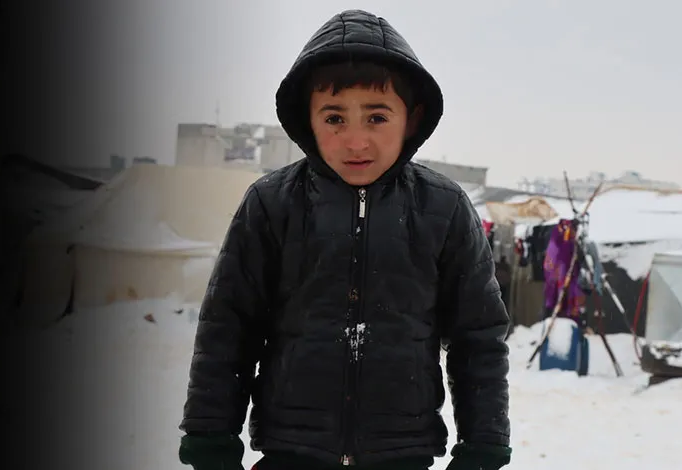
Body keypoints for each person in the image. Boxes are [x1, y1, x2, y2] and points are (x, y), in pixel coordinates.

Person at [178, 9, 513, 470]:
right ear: (307, 120)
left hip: (402, 454)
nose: (356, 142)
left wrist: (484, 444)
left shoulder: (444, 207)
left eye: (376, 117)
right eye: (334, 118)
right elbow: (228, 327)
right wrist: (210, 436)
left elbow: (478, 338)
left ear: (411, 120)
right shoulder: (272, 203)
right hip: (292, 453)